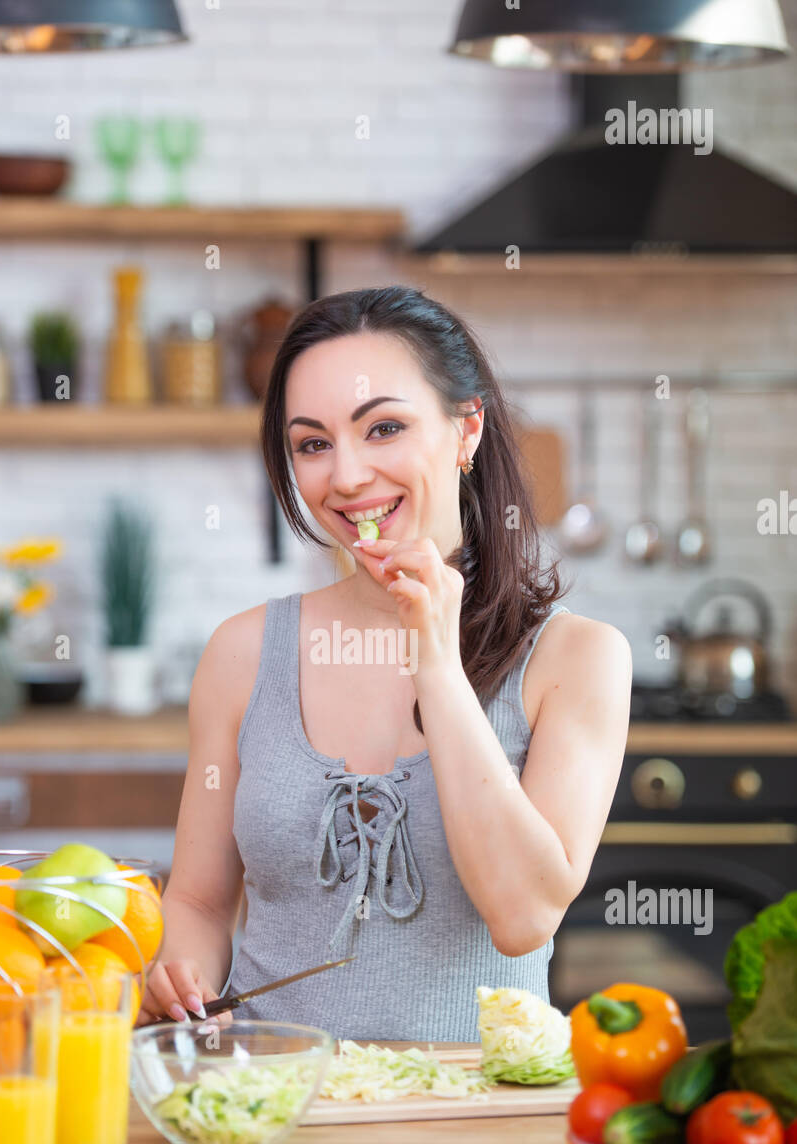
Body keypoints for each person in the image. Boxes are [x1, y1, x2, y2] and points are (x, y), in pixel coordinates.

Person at [138, 285, 632, 1042]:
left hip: (472, 1121)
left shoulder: (576, 658)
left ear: (466, 430)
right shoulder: (242, 653)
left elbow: (523, 915)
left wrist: (434, 656)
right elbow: (200, 904)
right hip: (273, 1112)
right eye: (312, 443)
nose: (346, 477)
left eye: (384, 428)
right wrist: (181, 984)